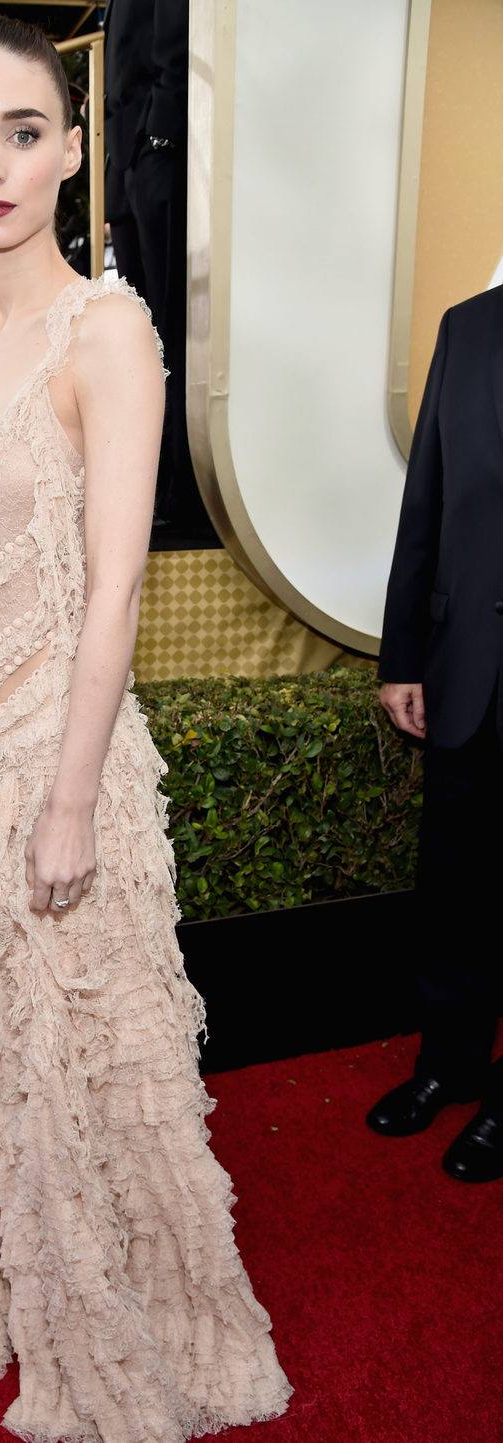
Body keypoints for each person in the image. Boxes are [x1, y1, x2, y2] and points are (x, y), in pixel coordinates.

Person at [0, 18, 291, 1439]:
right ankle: (8, 1260)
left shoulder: (108, 331)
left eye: (23, 130)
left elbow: (115, 585)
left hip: (60, 751)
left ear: (69, 147)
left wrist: (64, 796)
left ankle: (125, 1315)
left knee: (84, 1061)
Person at [367, 289, 503, 1184]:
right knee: (452, 889)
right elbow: (429, 501)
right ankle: (446, 1063)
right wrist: (403, 655)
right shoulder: (469, 328)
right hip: (465, 670)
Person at [103, 0, 214, 539]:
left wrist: (161, 134)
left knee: (171, 329)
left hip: (157, 152)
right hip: (127, 161)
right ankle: (152, 485)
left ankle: (181, 490)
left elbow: (176, 44)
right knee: (141, 339)